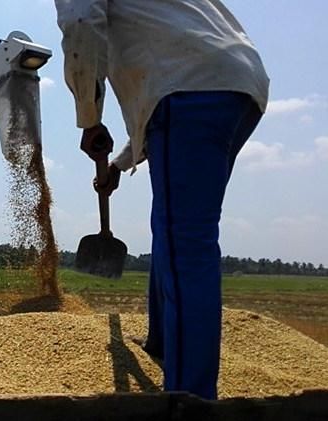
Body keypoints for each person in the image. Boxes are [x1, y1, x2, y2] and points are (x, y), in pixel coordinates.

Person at [55, 0, 269, 399]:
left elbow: (82, 21)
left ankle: (190, 397)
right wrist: (119, 163)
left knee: (185, 243)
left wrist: (89, 118)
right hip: (239, 85)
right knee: (172, 228)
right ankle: (162, 344)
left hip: (191, 87)